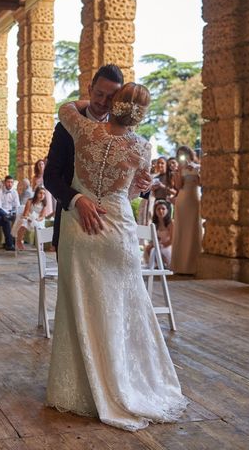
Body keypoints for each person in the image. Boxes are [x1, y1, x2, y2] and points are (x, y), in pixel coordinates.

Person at [46, 84, 187, 431]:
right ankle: (123, 383)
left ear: (115, 103)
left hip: (80, 230)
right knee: (123, 309)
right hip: (116, 228)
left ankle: (80, 391)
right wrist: (139, 181)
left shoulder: (83, 128)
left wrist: (88, 101)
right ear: (142, 113)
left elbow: (66, 107)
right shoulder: (141, 146)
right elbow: (138, 187)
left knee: (80, 307)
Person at [44, 64, 152, 252]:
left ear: (118, 99)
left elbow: (131, 186)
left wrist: (145, 186)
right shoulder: (66, 128)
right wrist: (77, 199)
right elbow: (50, 177)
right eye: (99, 94)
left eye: (110, 97)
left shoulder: (130, 135)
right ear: (90, 90)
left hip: (116, 231)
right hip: (73, 223)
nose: (103, 102)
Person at [170, 145, 201, 274]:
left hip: (194, 199)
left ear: (190, 154)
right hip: (182, 200)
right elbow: (178, 186)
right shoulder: (179, 169)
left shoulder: (198, 167)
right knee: (181, 230)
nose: (183, 157)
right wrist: (178, 172)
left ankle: (193, 266)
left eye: (185, 154)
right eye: (180, 155)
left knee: (193, 229)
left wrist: (196, 171)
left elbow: (202, 183)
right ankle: (179, 266)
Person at [12, 186, 48, 251]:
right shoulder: (30, 201)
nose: (42, 195)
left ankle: (40, 244)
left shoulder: (44, 204)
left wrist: (38, 219)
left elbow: (42, 216)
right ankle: (19, 240)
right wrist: (28, 218)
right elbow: (26, 213)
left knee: (38, 225)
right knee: (24, 222)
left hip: (38, 219)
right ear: (36, 193)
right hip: (28, 216)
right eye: (40, 193)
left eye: (43, 194)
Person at [145, 200, 174, 269]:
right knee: (149, 248)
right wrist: (154, 244)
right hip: (158, 245)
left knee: (157, 249)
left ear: (167, 210)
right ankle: (158, 265)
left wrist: (162, 245)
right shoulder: (154, 224)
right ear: (155, 211)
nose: (161, 211)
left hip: (168, 246)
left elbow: (172, 240)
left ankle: (164, 264)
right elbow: (154, 238)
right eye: (158, 209)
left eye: (163, 209)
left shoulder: (171, 223)